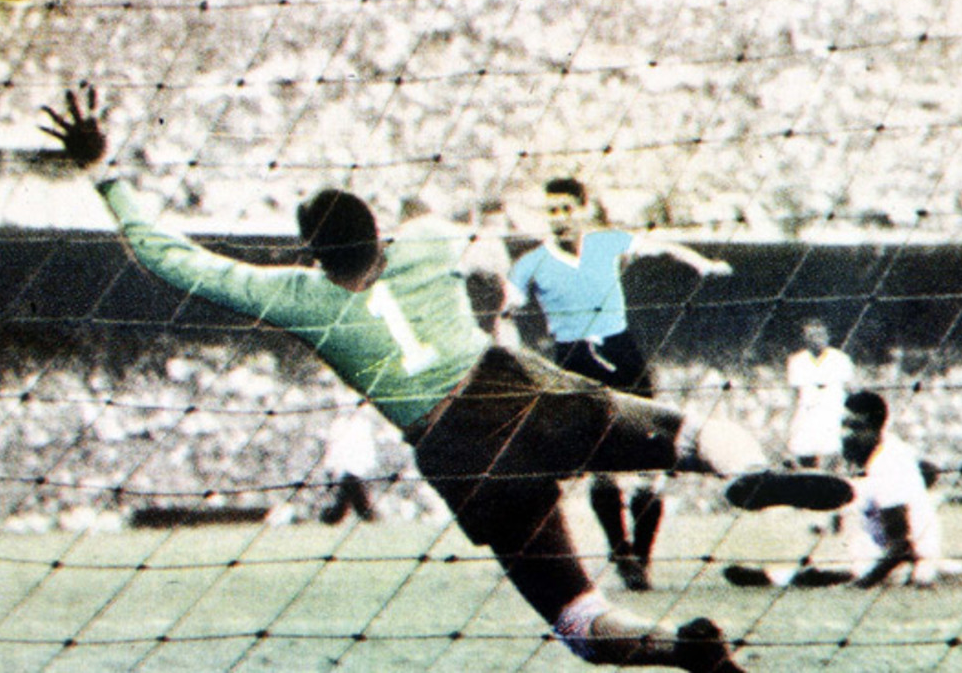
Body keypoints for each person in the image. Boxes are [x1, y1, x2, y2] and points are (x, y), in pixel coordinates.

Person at [41, 87, 836, 672]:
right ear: (380, 229)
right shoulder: (424, 240)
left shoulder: (295, 297)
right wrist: (493, 298)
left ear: (313, 257)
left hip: (454, 448)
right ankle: (747, 474)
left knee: (577, 617)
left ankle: (679, 648)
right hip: (510, 383)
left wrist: (104, 172)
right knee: (687, 435)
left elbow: (174, 259)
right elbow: (482, 245)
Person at [506, 176, 733, 591]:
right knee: (603, 467)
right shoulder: (531, 264)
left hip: (623, 351)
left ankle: (640, 559)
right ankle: (620, 548)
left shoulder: (607, 243)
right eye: (551, 211)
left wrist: (702, 263)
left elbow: (662, 244)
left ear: (583, 209)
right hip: (574, 362)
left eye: (566, 209)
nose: (559, 218)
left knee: (651, 461)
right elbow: (505, 304)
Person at [724, 391, 962, 589]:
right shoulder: (881, 451)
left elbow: (901, 545)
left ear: (876, 427)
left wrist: (860, 585)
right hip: (896, 546)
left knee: (823, 573)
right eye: (845, 425)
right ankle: (952, 568)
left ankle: (770, 577)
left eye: (856, 427)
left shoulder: (887, 462)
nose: (847, 434)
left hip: (903, 560)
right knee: (852, 503)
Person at [785, 318, 854, 471]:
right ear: (805, 338)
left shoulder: (840, 359)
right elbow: (794, 395)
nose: (816, 340)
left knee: (833, 458)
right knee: (804, 456)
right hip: (807, 415)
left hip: (832, 414)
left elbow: (851, 391)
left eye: (819, 335)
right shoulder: (796, 361)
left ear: (827, 336)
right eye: (811, 336)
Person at [318, 402, 380, 524]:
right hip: (347, 466)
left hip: (352, 465)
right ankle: (363, 515)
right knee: (351, 490)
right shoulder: (341, 423)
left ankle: (336, 517)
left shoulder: (359, 423)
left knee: (349, 491)